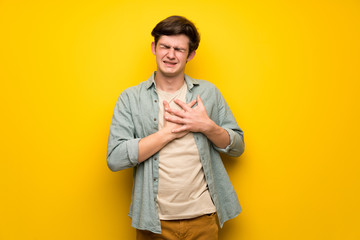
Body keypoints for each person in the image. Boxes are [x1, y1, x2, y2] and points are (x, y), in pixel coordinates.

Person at [107, 15, 245, 240]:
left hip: (204, 217)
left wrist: (207, 126)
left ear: (190, 55)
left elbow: (237, 146)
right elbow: (115, 159)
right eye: (165, 46)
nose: (170, 55)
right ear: (154, 48)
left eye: (179, 49)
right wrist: (169, 132)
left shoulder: (208, 93)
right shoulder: (130, 98)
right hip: (153, 221)